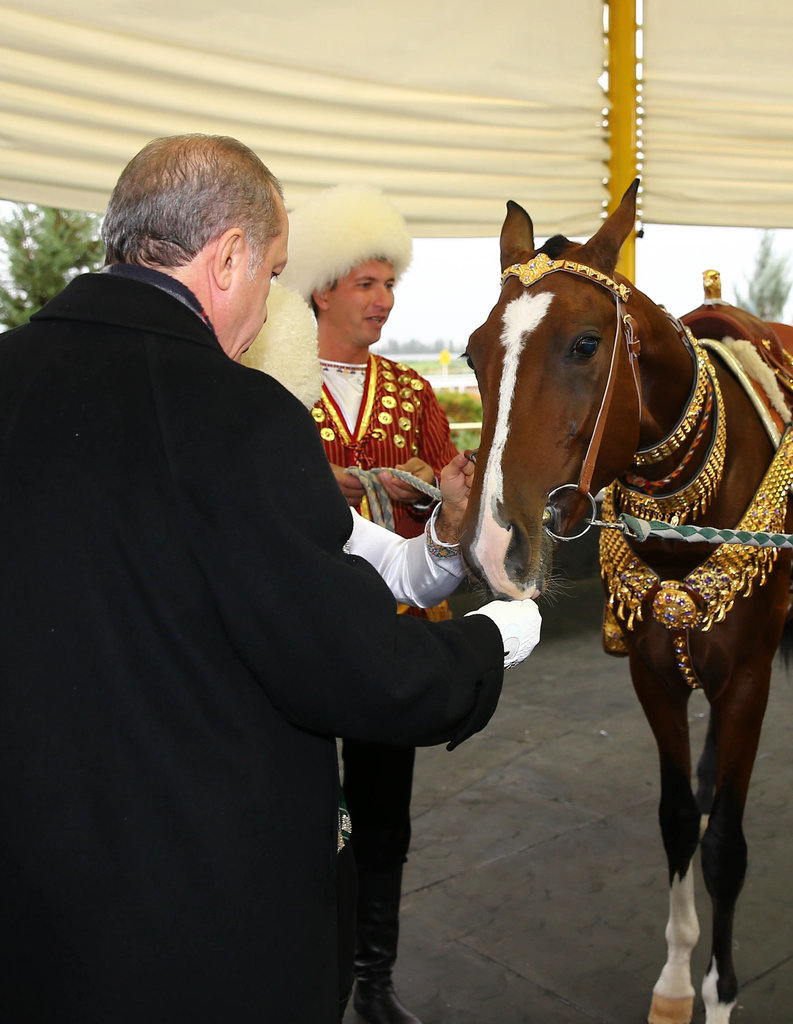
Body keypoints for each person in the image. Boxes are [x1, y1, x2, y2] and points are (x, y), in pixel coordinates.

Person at [0, 134, 542, 1024]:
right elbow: (358, 668)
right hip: (192, 921)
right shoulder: (236, 415)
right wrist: (492, 640)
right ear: (228, 259)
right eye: (273, 275)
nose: (264, 315)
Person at [278, 184, 461, 1024]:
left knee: (384, 815)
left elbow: (446, 508)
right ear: (319, 288)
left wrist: (457, 499)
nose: (384, 301)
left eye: (390, 286)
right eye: (366, 283)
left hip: (391, 635)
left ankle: (373, 982)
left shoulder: (417, 396)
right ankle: (308, 974)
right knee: (294, 812)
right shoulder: (267, 380)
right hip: (292, 633)